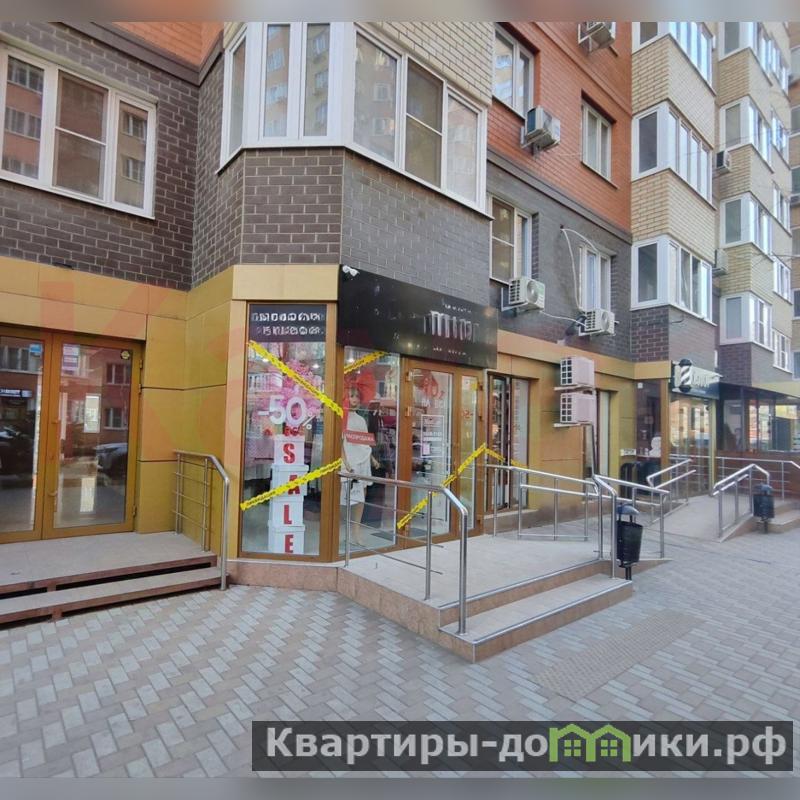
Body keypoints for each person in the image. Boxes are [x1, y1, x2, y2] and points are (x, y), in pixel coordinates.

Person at [340, 370, 379, 547]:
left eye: (356, 396)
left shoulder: (361, 420)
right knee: (344, 498)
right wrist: (345, 461)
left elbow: (364, 443)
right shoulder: (341, 418)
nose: (354, 400)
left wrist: (372, 459)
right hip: (348, 463)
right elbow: (339, 442)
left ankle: (356, 532)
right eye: (351, 396)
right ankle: (344, 531)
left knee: (360, 498)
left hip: (362, 462)